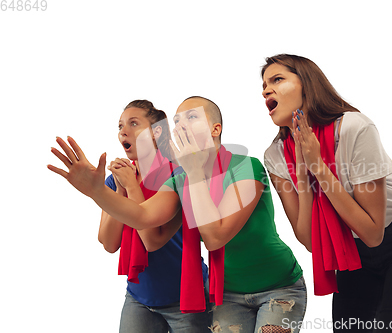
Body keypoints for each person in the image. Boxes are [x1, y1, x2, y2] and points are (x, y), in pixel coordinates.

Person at [48, 96, 307, 333]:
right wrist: (97, 192)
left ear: (215, 129)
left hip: (278, 286)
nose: (181, 124)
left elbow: (216, 237)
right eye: (177, 120)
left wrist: (194, 173)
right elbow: (142, 217)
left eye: (192, 117)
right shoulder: (180, 180)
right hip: (227, 294)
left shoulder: (246, 166)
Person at [261, 54, 392, 332]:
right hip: (349, 252)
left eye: (277, 79)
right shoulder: (275, 156)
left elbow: (372, 232)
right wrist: (302, 172)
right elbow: (309, 240)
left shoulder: (354, 127)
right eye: (263, 85)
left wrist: (319, 167)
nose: (265, 90)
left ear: (307, 85)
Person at [90, 100, 211, 332]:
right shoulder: (117, 181)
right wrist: (120, 190)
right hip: (140, 297)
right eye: (120, 126)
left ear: (156, 132)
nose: (123, 131)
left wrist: (131, 188)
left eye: (133, 124)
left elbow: (151, 241)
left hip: (184, 296)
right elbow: (108, 243)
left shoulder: (179, 176)